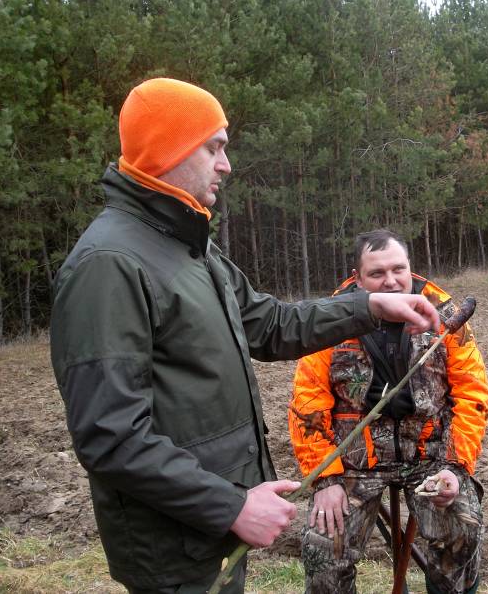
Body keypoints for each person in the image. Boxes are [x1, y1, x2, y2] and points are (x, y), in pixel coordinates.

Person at [49, 78, 440, 594]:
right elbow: (110, 436)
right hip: (172, 547)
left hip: (208, 528)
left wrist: (367, 306)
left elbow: (270, 324)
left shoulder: (189, 247)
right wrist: (231, 506)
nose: (226, 165)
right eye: (214, 147)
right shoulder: (109, 265)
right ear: (169, 149)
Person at [288, 229, 488, 594]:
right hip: (353, 464)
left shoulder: (447, 316)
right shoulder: (329, 320)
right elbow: (308, 402)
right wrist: (326, 480)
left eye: (398, 269)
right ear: (357, 277)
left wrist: (455, 467)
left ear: (410, 267)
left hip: (431, 458)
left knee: (463, 527)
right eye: (377, 273)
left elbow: (472, 392)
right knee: (323, 548)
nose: (391, 281)